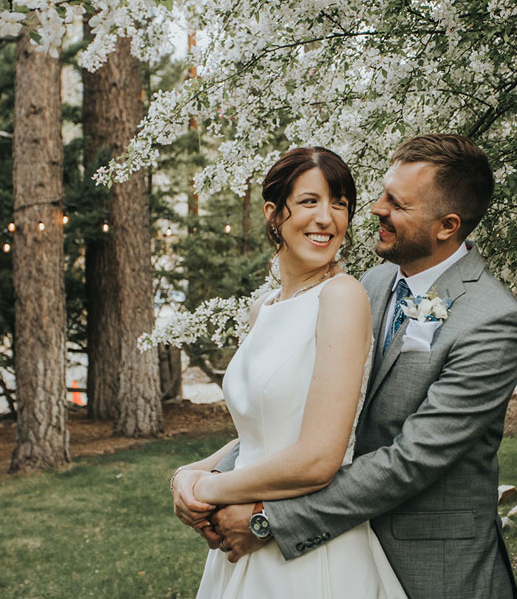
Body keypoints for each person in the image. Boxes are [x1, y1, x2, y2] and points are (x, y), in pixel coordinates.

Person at [177, 134, 517, 599]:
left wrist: (267, 519)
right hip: (342, 541)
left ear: (446, 225)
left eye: (396, 202)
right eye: (382, 192)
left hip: (430, 567)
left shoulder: (491, 320)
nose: (375, 208)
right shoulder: (374, 283)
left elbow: (409, 461)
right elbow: (312, 414)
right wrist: (197, 475)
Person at [171, 147, 407, 598]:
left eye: (339, 204)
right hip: (241, 550)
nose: (326, 218)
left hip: (310, 557)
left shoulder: (342, 297)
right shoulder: (262, 307)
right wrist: (188, 475)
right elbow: (264, 432)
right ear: (274, 214)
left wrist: (214, 488)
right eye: (309, 201)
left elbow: (319, 458)